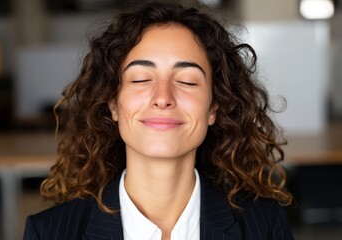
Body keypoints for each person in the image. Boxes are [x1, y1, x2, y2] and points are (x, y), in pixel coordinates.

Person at [23, 2, 293, 240]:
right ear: (113, 104)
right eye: (141, 79)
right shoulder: (49, 231)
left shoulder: (265, 226)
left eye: (187, 81)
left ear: (213, 108)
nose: (162, 97)